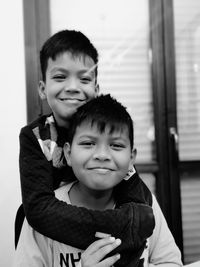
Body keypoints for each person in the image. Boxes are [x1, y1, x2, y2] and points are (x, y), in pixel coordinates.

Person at [16, 29, 155, 264]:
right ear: (42, 88)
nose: (72, 87)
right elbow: (39, 209)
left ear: (97, 89)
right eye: (60, 77)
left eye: (84, 79)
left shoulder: (109, 131)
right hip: (53, 238)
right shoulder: (37, 137)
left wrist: (134, 222)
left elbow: (138, 200)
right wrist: (121, 227)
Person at [14, 94, 182, 267]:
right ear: (68, 154)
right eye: (88, 143)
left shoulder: (145, 205)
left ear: (131, 158)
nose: (102, 155)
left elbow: (170, 261)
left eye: (116, 145)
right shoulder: (40, 221)